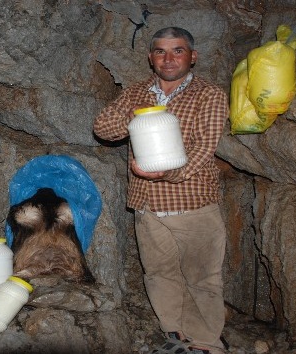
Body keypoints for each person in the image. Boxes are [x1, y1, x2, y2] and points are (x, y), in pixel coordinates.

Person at [93, 27, 229, 354]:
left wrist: (167, 173)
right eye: (160, 52)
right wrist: (139, 113)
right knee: (158, 274)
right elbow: (103, 128)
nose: (169, 59)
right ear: (150, 58)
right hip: (148, 204)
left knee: (202, 279)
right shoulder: (136, 93)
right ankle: (177, 336)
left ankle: (208, 344)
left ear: (192, 56)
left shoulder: (209, 95)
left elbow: (203, 148)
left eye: (177, 51)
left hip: (193, 202)